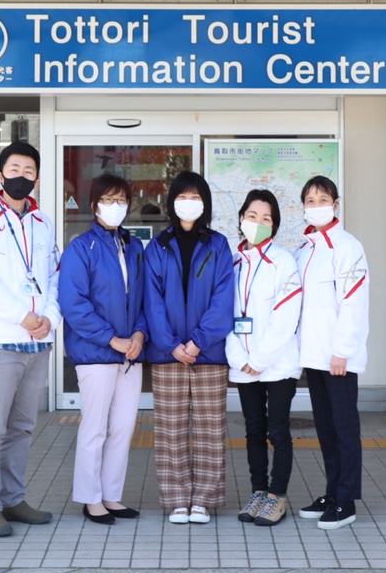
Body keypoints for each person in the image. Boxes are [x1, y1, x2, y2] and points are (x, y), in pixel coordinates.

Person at [0, 141, 61, 538]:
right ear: (0, 175)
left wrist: (49, 319)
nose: (22, 176)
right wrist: (24, 317)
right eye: (14, 168)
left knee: (21, 428)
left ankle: (14, 499)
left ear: (37, 177)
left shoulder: (44, 223)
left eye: (29, 170)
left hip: (37, 344)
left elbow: (54, 277)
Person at [143, 170, 234, 525]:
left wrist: (197, 341)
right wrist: (170, 344)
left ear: (205, 203)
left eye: (196, 197)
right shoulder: (157, 246)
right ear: (172, 201)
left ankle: (204, 501)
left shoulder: (219, 245)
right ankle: (178, 499)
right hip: (168, 356)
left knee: (212, 429)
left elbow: (223, 299)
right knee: (170, 431)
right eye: (183, 196)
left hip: (208, 354)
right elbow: (151, 301)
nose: (189, 202)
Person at [59, 173, 147, 526]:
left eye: (122, 200)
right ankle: (90, 498)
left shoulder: (134, 247)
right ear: (94, 205)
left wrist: (139, 335)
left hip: (130, 355)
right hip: (96, 353)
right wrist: (112, 339)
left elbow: (145, 299)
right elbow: (73, 303)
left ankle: (112, 495)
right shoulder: (81, 248)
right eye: (108, 200)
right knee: (95, 427)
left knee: (124, 427)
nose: (116, 207)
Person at [294, 175, 370, 530]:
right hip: (313, 355)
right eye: (310, 200)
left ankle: (346, 500)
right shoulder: (304, 249)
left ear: (336, 204)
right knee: (325, 428)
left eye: (322, 199)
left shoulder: (348, 246)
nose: (316, 205)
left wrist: (342, 350)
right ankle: (331, 491)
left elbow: (353, 303)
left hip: (338, 357)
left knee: (344, 428)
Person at [225, 189, 302, 527]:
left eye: (266, 218)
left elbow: (287, 317)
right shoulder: (233, 262)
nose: (258, 223)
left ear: (275, 226)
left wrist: (260, 357)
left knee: (278, 430)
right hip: (244, 364)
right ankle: (258, 491)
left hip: (278, 364)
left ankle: (277, 495)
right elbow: (223, 314)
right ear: (241, 218)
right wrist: (238, 356)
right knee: (253, 430)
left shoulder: (283, 262)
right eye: (252, 216)